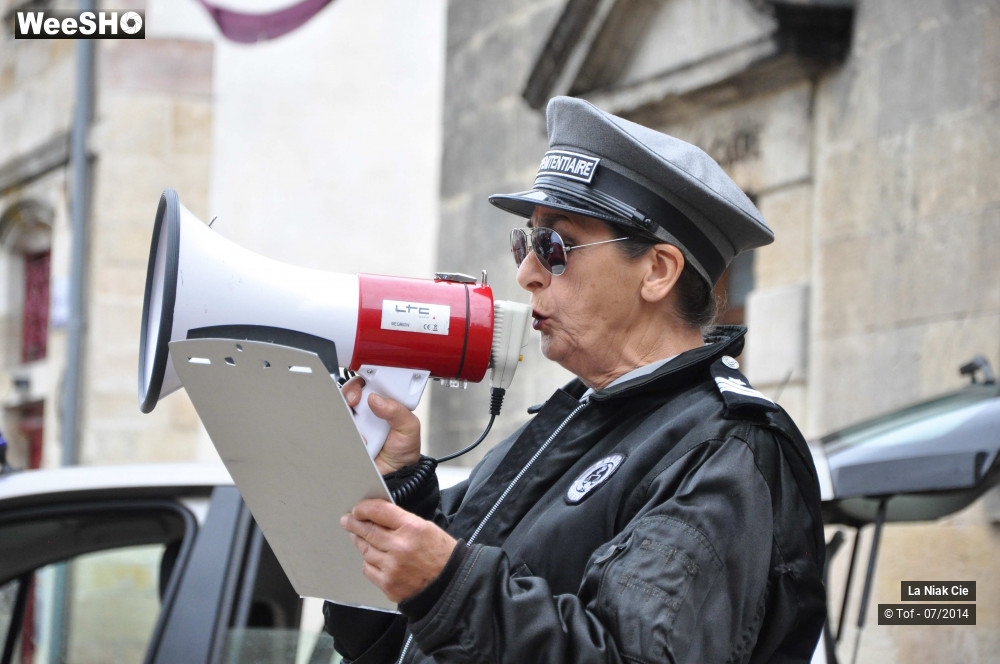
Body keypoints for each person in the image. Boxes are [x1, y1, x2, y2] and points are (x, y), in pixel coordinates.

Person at [324, 96, 826, 663]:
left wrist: (446, 584)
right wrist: (402, 489)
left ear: (658, 271)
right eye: (526, 242)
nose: (526, 273)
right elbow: (389, 645)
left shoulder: (724, 449)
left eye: (555, 246)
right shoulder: (573, 423)